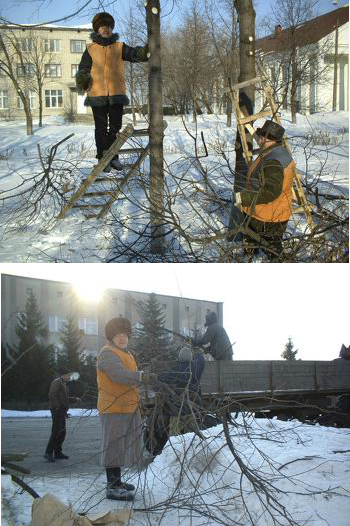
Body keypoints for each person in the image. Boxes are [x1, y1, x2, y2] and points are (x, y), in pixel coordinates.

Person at [75, 12, 149, 172]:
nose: (106, 29)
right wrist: (82, 78)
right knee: (101, 128)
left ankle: (113, 157)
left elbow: (134, 54)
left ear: (111, 28)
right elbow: (83, 68)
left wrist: (145, 51)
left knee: (115, 128)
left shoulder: (119, 47)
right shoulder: (90, 49)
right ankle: (103, 158)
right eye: (102, 27)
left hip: (116, 94)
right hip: (97, 95)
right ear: (97, 30)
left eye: (108, 26)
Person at [97, 316, 155, 501]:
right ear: (111, 337)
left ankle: (117, 481)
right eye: (118, 335)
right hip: (113, 407)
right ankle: (112, 487)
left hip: (126, 407)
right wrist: (141, 376)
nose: (122, 338)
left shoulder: (126, 354)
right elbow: (118, 376)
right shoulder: (107, 353)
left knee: (120, 446)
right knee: (113, 445)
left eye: (125, 335)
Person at [233, 120, 295, 260]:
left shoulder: (273, 160)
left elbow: (270, 192)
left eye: (261, 134)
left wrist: (243, 198)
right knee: (267, 246)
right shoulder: (276, 151)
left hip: (268, 216)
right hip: (270, 212)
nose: (259, 137)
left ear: (266, 138)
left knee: (272, 249)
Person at [145, 345, 206, 457]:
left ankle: (176, 454)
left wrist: (154, 377)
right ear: (191, 358)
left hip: (179, 410)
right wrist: (198, 352)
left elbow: (161, 379)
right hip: (195, 407)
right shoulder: (197, 367)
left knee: (176, 436)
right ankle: (193, 452)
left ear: (179, 358)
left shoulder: (175, 370)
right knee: (193, 433)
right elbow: (201, 360)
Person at [44, 372, 80, 463]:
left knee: (62, 432)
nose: (70, 377)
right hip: (57, 410)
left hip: (61, 410)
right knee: (56, 431)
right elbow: (52, 394)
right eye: (69, 376)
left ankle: (57, 452)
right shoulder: (57, 382)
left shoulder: (63, 383)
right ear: (64, 375)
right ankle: (48, 452)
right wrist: (57, 407)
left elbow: (64, 398)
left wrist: (74, 399)